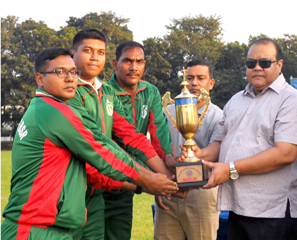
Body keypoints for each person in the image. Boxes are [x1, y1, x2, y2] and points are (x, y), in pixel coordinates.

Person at [0, 47, 178, 240]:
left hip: (47, 227)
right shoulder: (53, 111)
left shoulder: (57, 108)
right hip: (34, 230)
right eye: (60, 72)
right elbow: (101, 153)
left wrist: (152, 179)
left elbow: (104, 142)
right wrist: (147, 180)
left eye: (73, 72)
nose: (70, 78)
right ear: (40, 79)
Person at [184, 38, 297, 240]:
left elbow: (285, 154)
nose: (257, 68)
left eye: (265, 63)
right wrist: (199, 153)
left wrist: (231, 169)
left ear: (279, 65)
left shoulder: (291, 101)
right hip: (239, 207)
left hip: (274, 212)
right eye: (251, 63)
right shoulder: (236, 99)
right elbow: (219, 141)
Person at [67, 29, 174, 240]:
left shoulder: (105, 92)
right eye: (88, 50)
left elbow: (133, 137)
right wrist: (146, 182)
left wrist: (165, 178)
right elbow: (98, 146)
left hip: (112, 187)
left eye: (100, 52)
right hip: (74, 192)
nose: (95, 57)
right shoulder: (67, 93)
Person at [101, 40, 178, 240]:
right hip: (102, 176)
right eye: (127, 61)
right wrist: (155, 178)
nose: (134, 67)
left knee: (120, 233)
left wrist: (168, 160)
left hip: (131, 180)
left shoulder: (149, 91)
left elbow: (159, 130)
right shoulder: (105, 92)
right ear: (114, 63)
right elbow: (128, 138)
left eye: (139, 61)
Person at [154, 59, 223, 240]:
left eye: (201, 78)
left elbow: (216, 149)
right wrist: (159, 186)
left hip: (202, 192)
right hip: (169, 187)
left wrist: (197, 154)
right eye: (190, 78)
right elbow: (156, 148)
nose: (194, 83)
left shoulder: (219, 116)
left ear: (211, 83)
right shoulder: (167, 112)